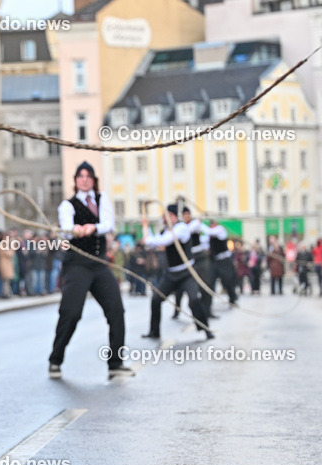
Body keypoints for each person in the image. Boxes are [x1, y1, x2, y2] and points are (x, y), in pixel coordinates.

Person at [48, 162, 130, 379]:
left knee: (116, 311)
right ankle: (55, 359)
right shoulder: (68, 205)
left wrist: (93, 227)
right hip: (77, 265)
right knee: (71, 313)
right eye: (80, 176)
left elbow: (108, 224)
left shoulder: (102, 199)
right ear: (76, 180)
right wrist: (73, 230)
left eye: (88, 176)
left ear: (93, 179)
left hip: (99, 263)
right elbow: (66, 230)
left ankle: (115, 363)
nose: (84, 179)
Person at [140, 204, 214, 341]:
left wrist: (148, 239)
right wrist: (146, 227)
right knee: (156, 299)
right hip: (171, 274)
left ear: (173, 216)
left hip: (187, 273)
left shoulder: (181, 228)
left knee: (194, 300)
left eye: (167, 216)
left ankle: (206, 329)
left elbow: (164, 241)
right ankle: (154, 331)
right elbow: (152, 243)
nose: (164, 219)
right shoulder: (165, 231)